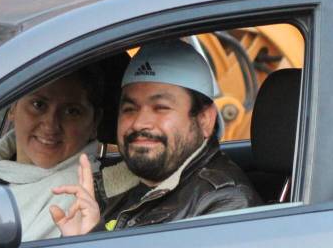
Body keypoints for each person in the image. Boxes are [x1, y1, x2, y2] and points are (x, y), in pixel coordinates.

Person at [51, 39, 260, 236]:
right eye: (130, 109)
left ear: (205, 119)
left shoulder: (225, 205)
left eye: (161, 108)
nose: (140, 123)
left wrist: (92, 238)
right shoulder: (115, 186)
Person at [0, 66, 103, 241]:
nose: (50, 126)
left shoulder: (74, 197)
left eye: (71, 111)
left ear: (94, 123)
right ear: (13, 107)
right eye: (38, 105)